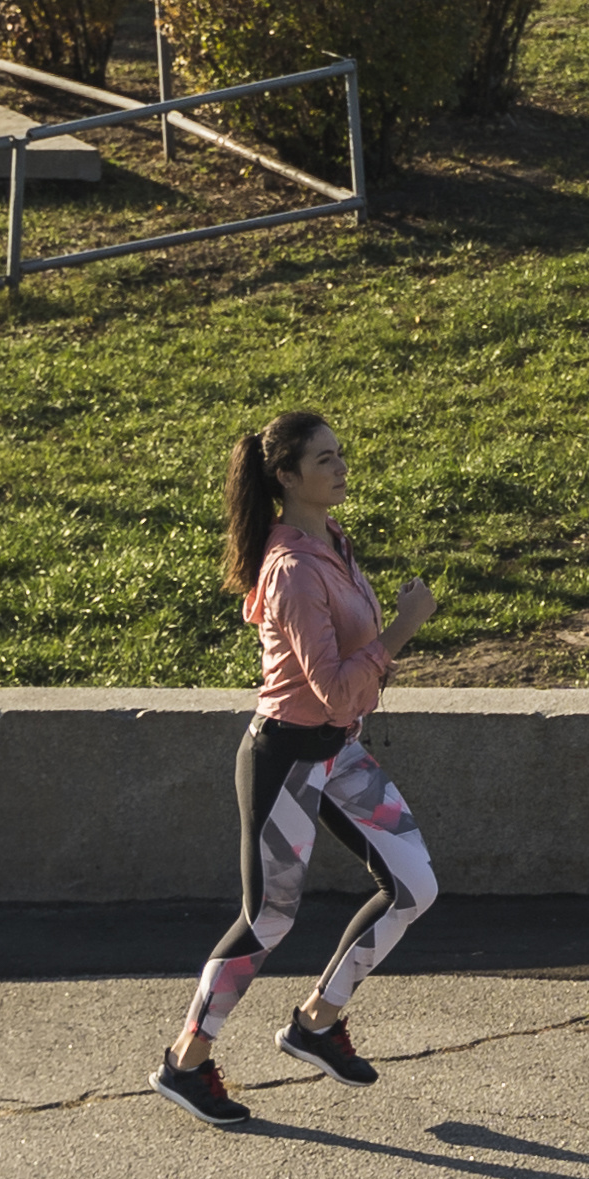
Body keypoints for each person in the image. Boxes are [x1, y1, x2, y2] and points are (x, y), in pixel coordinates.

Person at [158, 407, 443, 1128]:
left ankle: (316, 1019)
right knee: (269, 919)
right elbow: (336, 686)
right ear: (285, 477)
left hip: (336, 750)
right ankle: (185, 1061)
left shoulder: (333, 542)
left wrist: (382, 640)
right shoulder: (289, 569)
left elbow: (345, 697)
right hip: (285, 753)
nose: (341, 467)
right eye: (323, 459)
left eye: (340, 454)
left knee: (414, 884)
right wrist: (402, 631)